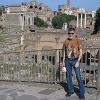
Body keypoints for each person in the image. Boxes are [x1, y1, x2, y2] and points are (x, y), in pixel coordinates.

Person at [62, 27, 85, 100]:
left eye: (72, 33)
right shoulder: (65, 41)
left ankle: (81, 93)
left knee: (78, 77)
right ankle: (70, 90)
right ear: (68, 33)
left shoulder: (78, 40)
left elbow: (81, 52)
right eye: (69, 33)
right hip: (67, 60)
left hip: (75, 60)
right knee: (68, 76)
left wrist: (78, 61)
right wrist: (63, 61)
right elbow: (64, 52)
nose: (70, 34)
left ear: (74, 33)